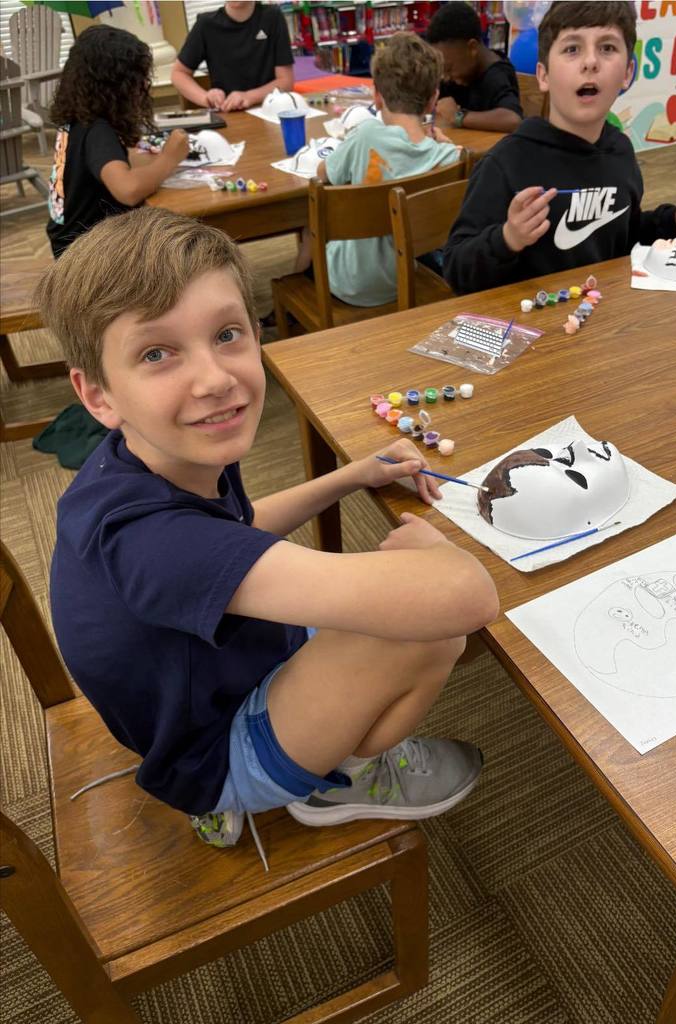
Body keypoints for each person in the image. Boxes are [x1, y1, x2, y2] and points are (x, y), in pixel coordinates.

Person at [36, 207, 499, 852]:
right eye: (157, 352)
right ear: (99, 396)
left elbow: (236, 532)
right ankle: (338, 782)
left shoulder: (151, 458)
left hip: (206, 680)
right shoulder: (154, 542)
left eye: (227, 335)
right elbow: (468, 598)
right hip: (210, 753)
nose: (215, 378)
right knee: (429, 633)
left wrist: (349, 476)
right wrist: (433, 549)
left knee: (378, 600)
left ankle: (318, 748)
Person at [442, 1, 676, 295]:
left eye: (607, 48)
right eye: (572, 49)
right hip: (533, 336)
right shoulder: (506, 164)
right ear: (544, 75)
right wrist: (507, 238)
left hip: (603, 326)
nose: (590, 62)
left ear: (627, 73)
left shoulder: (620, 151)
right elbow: (456, 270)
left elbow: (622, 235)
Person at [296, 31, 460, 307]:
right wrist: (446, 143)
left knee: (308, 219)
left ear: (377, 95)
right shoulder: (448, 157)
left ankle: (297, 279)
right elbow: (454, 156)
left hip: (346, 281)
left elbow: (323, 174)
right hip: (405, 278)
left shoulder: (365, 135)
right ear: (433, 99)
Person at [46, 25, 188, 259]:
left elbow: (100, 168)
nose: (143, 86)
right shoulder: (97, 131)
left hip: (69, 241)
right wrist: (169, 159)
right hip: (90, 253)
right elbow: (128, 190)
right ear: (115, 86)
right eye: (137, 79)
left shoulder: (77, 118)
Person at [171, 1, 294, 113]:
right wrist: (206, 98)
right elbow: (178, 73)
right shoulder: (206, 24)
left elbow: (286, 82)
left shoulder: (273, 17)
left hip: (268, 110)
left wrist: (249, 96)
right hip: (227, 115)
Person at [425, 1, 522, 135]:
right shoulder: (461, 71)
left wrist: (458, 117)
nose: (446, 77)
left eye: (449, 68)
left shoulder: (496, 75)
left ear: (472, 48)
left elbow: (513, 120)